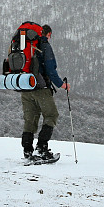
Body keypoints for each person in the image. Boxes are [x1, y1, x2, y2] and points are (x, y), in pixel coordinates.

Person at [21, 24, 69, 160]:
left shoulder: (25, 46)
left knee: (30, 119)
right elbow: (50, 69)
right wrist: (62, 85)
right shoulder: (44, 46)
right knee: (51, 115)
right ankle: (41, 148)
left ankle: (27, 151)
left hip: (25, 87)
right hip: (40, 88)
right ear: (48, 34)